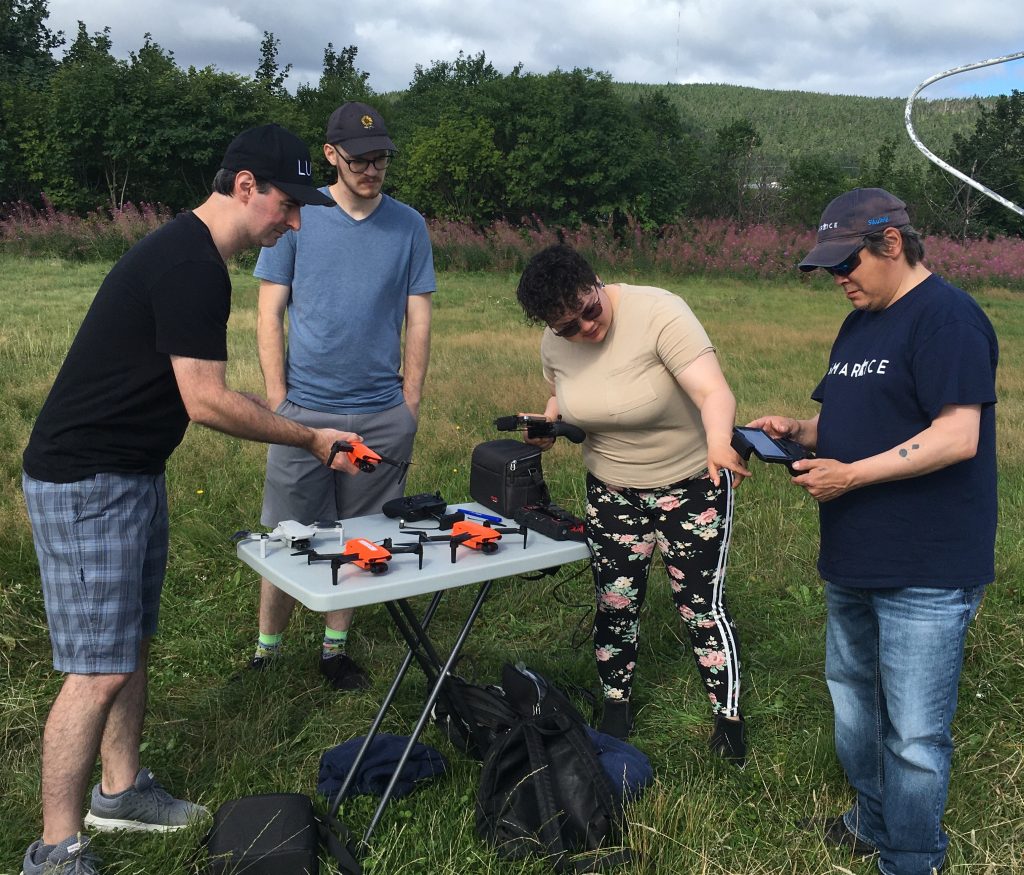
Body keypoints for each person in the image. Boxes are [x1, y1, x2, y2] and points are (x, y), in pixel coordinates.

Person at [19, 124, 366, 875]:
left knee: (129, 645)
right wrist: (309, 437)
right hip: (86, 480)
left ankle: (120, 792)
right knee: (97, 667)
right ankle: (54, 849)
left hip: (131, 471)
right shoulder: (191, 264)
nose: (296, 221)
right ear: (246, 186)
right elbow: (205, 400)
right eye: (288, 203)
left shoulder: (194, 253)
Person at [749, 188, 998, 875]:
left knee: (915, 732)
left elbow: (956, 435)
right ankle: (872, 818)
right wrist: (797, 432)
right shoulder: (859, 323)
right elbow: (849, 418)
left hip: (927, 565)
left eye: (846, 263)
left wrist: (851, 476)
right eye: (829, 269)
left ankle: (913, 857)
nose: (838, 278)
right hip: (853, 555)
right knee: (856, 705)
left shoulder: (948, 319)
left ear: (893, 243)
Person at [515, 244, 751, 761]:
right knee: (616, 602)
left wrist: (718, 441)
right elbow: (567, 396)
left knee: (700, 608)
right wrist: (549, 425)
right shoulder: (553, 345)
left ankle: (727, 720)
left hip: (691, 481)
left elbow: (715, 394)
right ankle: (615, 707)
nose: (585, 329)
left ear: (597, 282)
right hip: (612, 489)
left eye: (590, 311)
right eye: (568, 328)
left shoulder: (659, 312)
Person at [248, 101, 435, 690]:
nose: (371, 170)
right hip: (303, 412)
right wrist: (278, 399)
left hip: (381, 414)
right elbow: (268, 311)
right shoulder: (299, 216)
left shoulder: (409, 225)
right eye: (359, 159)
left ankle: (334, 648)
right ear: (331, 155)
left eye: (380, 159)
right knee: (285, 534)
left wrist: (410, 404)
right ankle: (267, 650)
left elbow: (419, 317)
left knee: (363, 533)